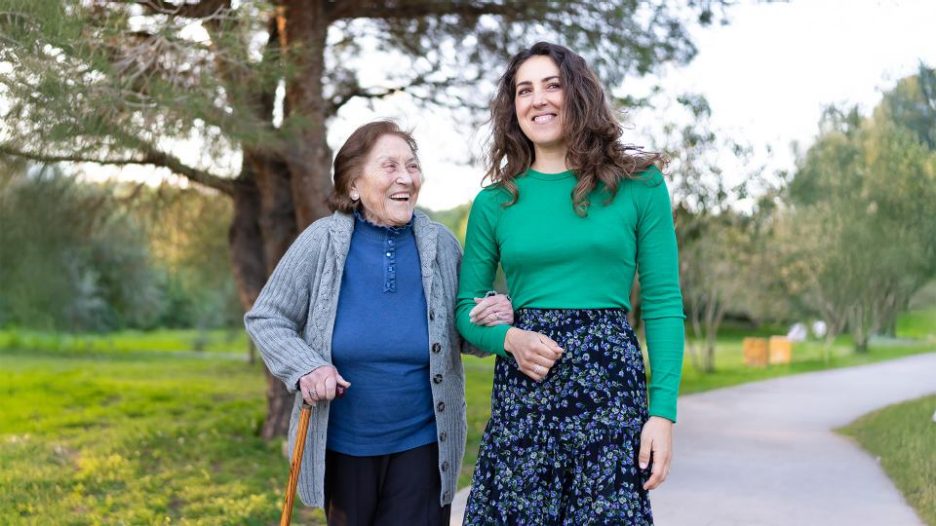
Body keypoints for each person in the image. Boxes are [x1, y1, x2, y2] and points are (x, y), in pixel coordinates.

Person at [456, 42, 685, 525]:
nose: (538, 99)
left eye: (551, 85)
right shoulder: (494, 204)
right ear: (512, 108)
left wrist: (662, 413)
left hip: (611, 395)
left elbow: (664, 303)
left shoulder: (639, 185)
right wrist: (508, 339)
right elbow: (464, 313)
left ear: (577, 93)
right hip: (527, 395)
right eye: (524, 90)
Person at [245, 120, 513, 526]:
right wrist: (307, 367)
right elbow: (267, 316)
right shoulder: (322, 242)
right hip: (345, 445)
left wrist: (491, 313)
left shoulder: (439, 244)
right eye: (389, 167)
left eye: (412, 165)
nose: (405, 177)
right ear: (354, 184)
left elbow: (467, 330)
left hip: (423, 442)